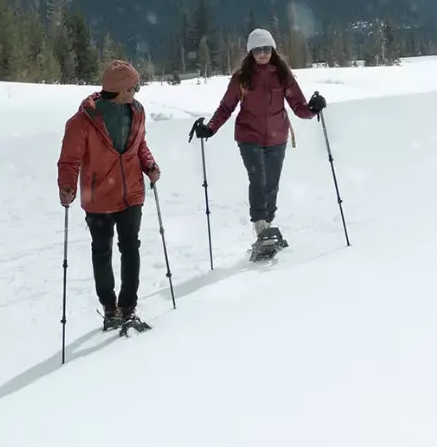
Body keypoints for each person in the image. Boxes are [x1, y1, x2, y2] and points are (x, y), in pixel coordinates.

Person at [192, 28, 326, 239]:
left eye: (266, 49)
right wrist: (210, 128)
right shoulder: (241, 78)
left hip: (277, 137)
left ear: (272, 49)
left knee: (272, 182)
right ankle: (260, 224)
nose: (262, 53)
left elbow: (298, 106)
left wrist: (313, 109)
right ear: (250, 53)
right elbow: (226, 107)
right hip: (249, 137)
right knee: (258, 179)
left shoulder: (283, 76)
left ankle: (268, 223)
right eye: (257, 50)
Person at [57, 59, 160, 329]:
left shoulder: (137, 111)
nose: (136, 92)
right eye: (133, 87)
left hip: (131, 194)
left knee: (130, 247)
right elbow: (69, 160)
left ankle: (128, 307)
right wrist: (67, 186)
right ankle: (109, 307)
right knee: (101, 252)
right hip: (99, 197)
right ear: (121, 89)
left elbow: (140, 145)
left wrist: (149, 164)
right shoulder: (82, 121)